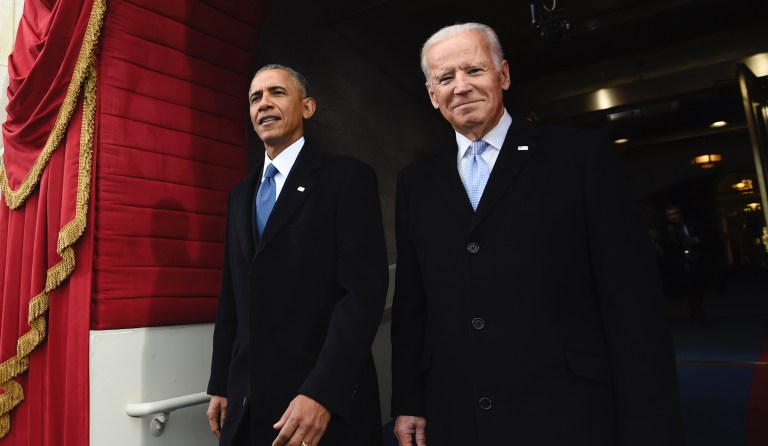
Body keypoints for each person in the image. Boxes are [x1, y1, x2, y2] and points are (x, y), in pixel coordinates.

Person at [390, 23, 684, 445]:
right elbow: (412, 303)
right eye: (445, 78)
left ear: (503, 75)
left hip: (569, 411)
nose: (461, 87)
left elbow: (632, 302)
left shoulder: (581, 158)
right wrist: (409, 399)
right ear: (432, 94)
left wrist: (649, 424)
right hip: (459, 415)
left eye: (474, 70)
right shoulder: (415, 181)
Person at [207, 64, 388, 446]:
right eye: (255, 97)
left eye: (277, 93)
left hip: (319, 401)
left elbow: (363, 296)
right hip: (247, 400)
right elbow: (232, 298)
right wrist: (221, 383)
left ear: (307, 107)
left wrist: (323, 392)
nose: (264, 104)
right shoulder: (240, 195)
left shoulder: (347, 179)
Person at [658, 204, 713, 326]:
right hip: (681, 262)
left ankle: (699, 310)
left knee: (700, 286)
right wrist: (673, 237)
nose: (673, 217)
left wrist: (695, 240)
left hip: (697, 259)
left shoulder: (692, 224)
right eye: (670, 215)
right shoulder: (666, 229)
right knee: (689, 288)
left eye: (675, 213)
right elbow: (666, 246)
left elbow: (706, 237)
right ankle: (696, 313)